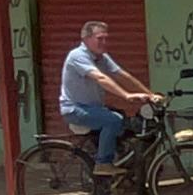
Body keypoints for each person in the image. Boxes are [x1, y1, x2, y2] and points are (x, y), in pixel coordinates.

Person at [58, 19, 159, 184]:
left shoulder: (102, 57)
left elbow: (122, 75)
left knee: (124, 120)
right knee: (113, 120)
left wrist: (150, 94)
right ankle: (103, 163)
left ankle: (115, 163)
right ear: (86, 39)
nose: (104, 42)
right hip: (75, 109)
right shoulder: (77, 56)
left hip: (93, 108)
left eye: (106, 38)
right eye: (100, 38)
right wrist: (126, 95)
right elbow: (101, 78)